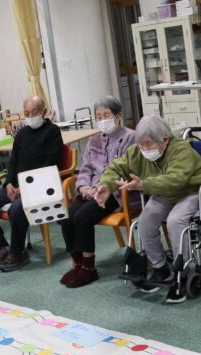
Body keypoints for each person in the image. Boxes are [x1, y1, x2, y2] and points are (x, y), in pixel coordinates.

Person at [95, 114, 201, 303]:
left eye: (148, 144)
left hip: (192, 191)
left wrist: (144, 184)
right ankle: (160, 267)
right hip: (165, 194)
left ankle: (183, 271)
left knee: (175, 221)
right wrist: (106, 186)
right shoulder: (136, 152)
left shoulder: (181, 149)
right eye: (140, 144)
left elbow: (176, 180)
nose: (144, 149)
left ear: (164, 140)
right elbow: (116, 168)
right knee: (145, 220)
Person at [0, 96, 63, 272]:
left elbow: (51, 163)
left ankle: (18, 252)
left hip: (40, 187)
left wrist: (26, 187)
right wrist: (8, 183)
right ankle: (2, 247)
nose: (30, 116)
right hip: (15, 186)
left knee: (16, 209)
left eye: (34, 112)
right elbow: (13, 162)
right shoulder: (21, 134)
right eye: (27, 113)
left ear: (44, 112)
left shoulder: (52, 131)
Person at [59, 96, 136, 288]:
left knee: (82, 216)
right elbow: (85, 169)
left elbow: (126, 171)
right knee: (67, 216)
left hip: (114, 192)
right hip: (90, 190)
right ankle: (77, 263)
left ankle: (89, 268)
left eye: (106, 115)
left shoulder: (130, 137)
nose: (102, 120)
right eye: (98, 116)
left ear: (118, 116)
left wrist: (100, 188)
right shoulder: (94, 140)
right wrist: (83, 187)